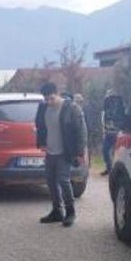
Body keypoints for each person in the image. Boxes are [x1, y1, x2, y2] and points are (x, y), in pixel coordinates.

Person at [36, 82, 87, 227]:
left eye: (51, 98)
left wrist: (79, 152)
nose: (49, 102)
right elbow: (39, 125)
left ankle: (70, 212)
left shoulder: (71, 108)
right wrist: (41, 143)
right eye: (46, 99)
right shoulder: (43, 107)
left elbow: (81, 131)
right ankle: (57, 211)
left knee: (64, 180)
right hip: (50, 151)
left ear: (57, 93)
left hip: (65, 151)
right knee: (50, 181)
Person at [100, 90, 119, 176]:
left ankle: (115, 170)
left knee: (116, 152)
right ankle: (109, 168)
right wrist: (103, 132)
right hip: (108, 134)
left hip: (117, 134)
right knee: (105, 151)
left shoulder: (119, 108)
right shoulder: (105, 109)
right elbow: (103, 122)